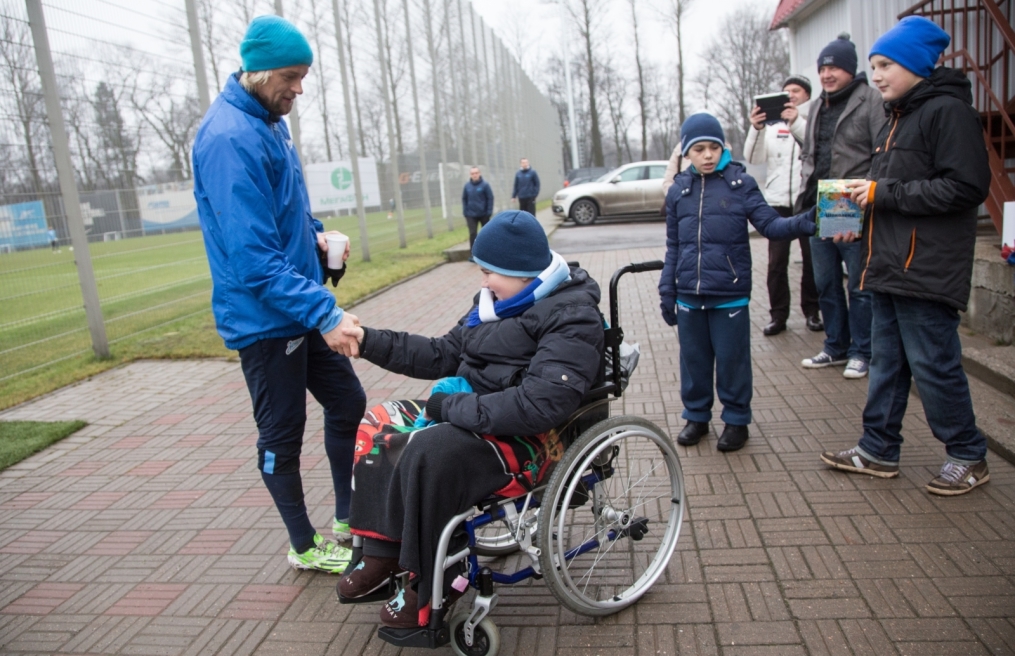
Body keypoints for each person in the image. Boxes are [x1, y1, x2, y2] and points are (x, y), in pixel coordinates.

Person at [336, 210, 604, 627]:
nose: (483, 282)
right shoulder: (492, 305)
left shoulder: (572, 315)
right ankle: (383, 553)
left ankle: (431, 581)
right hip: (475, 413)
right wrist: (369, 340)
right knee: (379, 421)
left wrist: (451, 409)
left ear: (521, 271)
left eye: (489, 272)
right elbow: (442, 353)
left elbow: (541, 404)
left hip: (529, 436)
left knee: (429, 449)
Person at [192, 15, 366, 574]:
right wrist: (326, 311)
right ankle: (305, 545)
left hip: (297, 307)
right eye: (291, 76)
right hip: (266, 320)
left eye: (304, 76)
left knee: (347, 402)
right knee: (281, 436)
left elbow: (284, 210)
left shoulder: (269, 121)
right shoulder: (227, 139)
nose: (298, 88)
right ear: (259, 71)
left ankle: (348, 517)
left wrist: (315, 238)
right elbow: (252, 260)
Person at [820, 17, 992, 495]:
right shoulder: (898, 115)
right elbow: (893, 194)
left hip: (926, 268)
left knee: (934, 365)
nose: (875, 75)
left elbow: (966, 187)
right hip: (890, 264)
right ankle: (877, 448)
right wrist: (858, 218)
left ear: (916, 64)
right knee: (888, 364)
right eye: (873, 65)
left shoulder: (946, 112)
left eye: (885, 65)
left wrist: (882, 192)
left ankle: (967, 454)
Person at [659, 112, 816, 452]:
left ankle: (736, 421)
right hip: (689, 295)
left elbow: (772, 226)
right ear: (686, 153)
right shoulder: (678, 191)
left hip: (728, 295)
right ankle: (697, 417)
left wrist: (810, 220)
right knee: (694, 360)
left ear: (722, 148)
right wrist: (667, 290)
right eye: (698, 149)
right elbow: (674, 246)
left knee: (732, 361)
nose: (707, 155)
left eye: (713, 147)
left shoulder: (740, 184)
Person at [797, 33, 887, 379]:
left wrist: (861, 202)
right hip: (819, 206)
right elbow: (811, 152)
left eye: (833, 67)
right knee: (826, 284)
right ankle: (835, 346)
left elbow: (881, 155)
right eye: (822, 68)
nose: (826, 74)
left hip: (851, 204)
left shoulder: (871, 101)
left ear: (850, 69)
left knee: (858, 287)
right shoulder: (819, 103)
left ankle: (861, 352)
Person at [745, 75, 823, 336]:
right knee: (776, 264)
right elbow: (753, 158)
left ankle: (812, 312)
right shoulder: (771, 127)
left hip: (806, 201)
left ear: (807, 96)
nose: (790, 96)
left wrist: (795, 122)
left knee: (812, 261)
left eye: (796, 92)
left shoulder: (814, 122)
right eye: (786, 92)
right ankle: (778, 316)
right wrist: (756, 128)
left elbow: (815, 148)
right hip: (778, 202)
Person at [461, 166, 494, 248]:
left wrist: (489, 211)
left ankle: (487, 251)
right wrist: (465, 212)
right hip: (471, 214)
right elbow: (464, 198)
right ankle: (473, 253)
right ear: (470, 175)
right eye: (472, 173)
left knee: (485, 233)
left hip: (484, 214)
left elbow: (490, 198)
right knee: (472, 233)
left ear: (479, 173)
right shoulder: (467, 186)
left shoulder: (485, 185)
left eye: (476, 173)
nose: (474, 175)